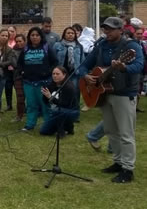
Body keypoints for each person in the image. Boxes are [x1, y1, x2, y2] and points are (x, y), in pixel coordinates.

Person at [80, 17, 144, 183]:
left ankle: (128, 169)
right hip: (104, 93)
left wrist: (124, 67)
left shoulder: (131, 46)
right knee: (110, 130)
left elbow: (139, 66)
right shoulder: (101, 45)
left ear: (120, 30)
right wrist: (85, 75)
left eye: (110, 29)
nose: (106, 32)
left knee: (125, 133)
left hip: (124, 93)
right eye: (105, 29)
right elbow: (84, 64)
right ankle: (117, 162)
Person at [18, 27, 58, 131]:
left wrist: (48, 72)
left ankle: (48, 124)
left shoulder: (47, 48)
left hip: (44, 82)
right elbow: (19, 64)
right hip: (28, 82)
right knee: (31, 105)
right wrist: (22, 72)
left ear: (41, 36)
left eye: (37, 35)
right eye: (32, 35)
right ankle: (30, 124)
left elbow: (55, 62)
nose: (35, 37)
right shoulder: (25, 49)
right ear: (29, 37)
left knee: (45, 104)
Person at [39, 67, 78, 136]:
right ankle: (62, 127)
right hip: (55, 112)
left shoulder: (69, 87)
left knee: (59, 111)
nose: (55, 76)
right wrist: (45, 95)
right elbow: (45, 102)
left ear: (64, 74)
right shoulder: (51, 85)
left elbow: (65, 104)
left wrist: (50, 97)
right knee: (44, 131)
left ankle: (64, 129)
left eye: (57, 74)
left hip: (70, 112)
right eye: (53, 74)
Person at [54, 27, 85, 107]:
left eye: (72, 33)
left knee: (74, 92)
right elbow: (53, 59)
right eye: (68, 33)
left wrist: (82, 73)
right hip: (61, 73)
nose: (70, 35)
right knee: (61, 91)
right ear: (64, 34)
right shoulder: (57, 45)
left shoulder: (79, 46)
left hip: (74, 73)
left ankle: (74, 110)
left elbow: (83, 61)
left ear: (75, 35)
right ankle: (61, 109)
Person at [12, 34, 27, 123]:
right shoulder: (13, 52)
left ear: (24, 41)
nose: (18, 43)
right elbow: (15, 64)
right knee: (20, 97)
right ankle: (19, 115)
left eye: (20, 41)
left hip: (29, 76)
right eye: (16, 41)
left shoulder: (29, 50)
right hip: (18, 76)